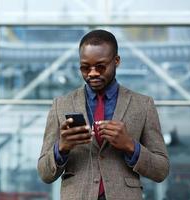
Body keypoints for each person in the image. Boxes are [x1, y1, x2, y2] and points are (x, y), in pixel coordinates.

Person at [37, 29, 169, 200]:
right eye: (85, 67)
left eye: (100, 66)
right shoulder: (60, 105)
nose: (92, 73)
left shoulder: (143, 105)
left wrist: (130, 146)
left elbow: (161, 170)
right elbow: (44, 173)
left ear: (117, 61)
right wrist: (62, 147)